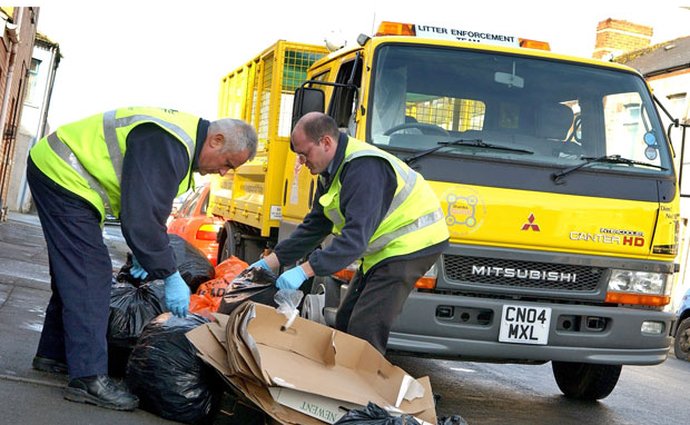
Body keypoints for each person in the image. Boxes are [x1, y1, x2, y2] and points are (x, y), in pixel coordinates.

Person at [26, 107, 257, 411]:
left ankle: (53, 353)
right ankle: (88, 377)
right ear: (215, 140)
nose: (225, 172)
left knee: (75, 272)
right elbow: (141, 219)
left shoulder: (177, 145)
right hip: (64, 173)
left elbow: (149, 208)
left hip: (62, 173)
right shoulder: (168, 143)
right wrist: (169, 274)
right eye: (228, 163)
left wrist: (144, 254)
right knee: (90, 275)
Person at [252, 112, 449, 354]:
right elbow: (315, 226)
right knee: (345, 320)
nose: (302, 162)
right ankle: (344, 383)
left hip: (412, 244)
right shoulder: (332, 170)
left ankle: (366, 388)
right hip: (386, 248)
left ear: (326, 142)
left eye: (305, 154)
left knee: (365, 328)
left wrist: (304, 271)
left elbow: (353, 240)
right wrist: (267, 263)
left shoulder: (364, 170)